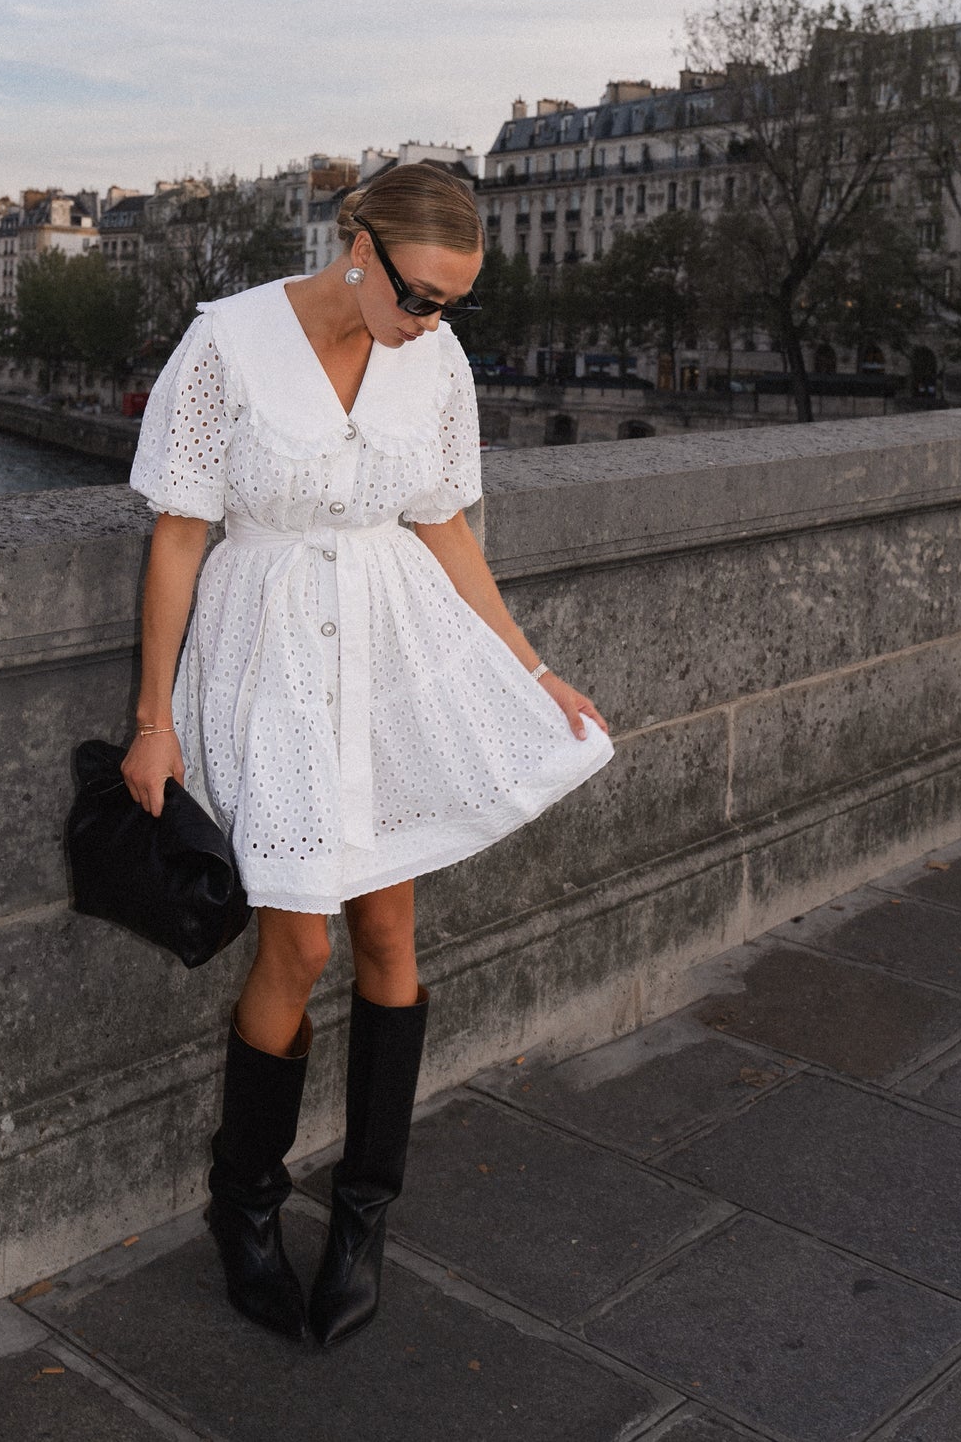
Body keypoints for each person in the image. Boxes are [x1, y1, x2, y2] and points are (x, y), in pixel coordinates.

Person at [122, 164, 614, 1347]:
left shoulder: (432, 362)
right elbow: (180, 535)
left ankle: (362, 1213)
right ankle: (243, 1205)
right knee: (293, 937)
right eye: (421, 293)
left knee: (389, 929)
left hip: (388, 654)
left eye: (453, 300)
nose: (433, 319)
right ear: (358, 244)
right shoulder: (226, 345)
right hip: (268, 658)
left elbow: (441, 518)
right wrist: (153, 716)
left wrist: (529, 666)